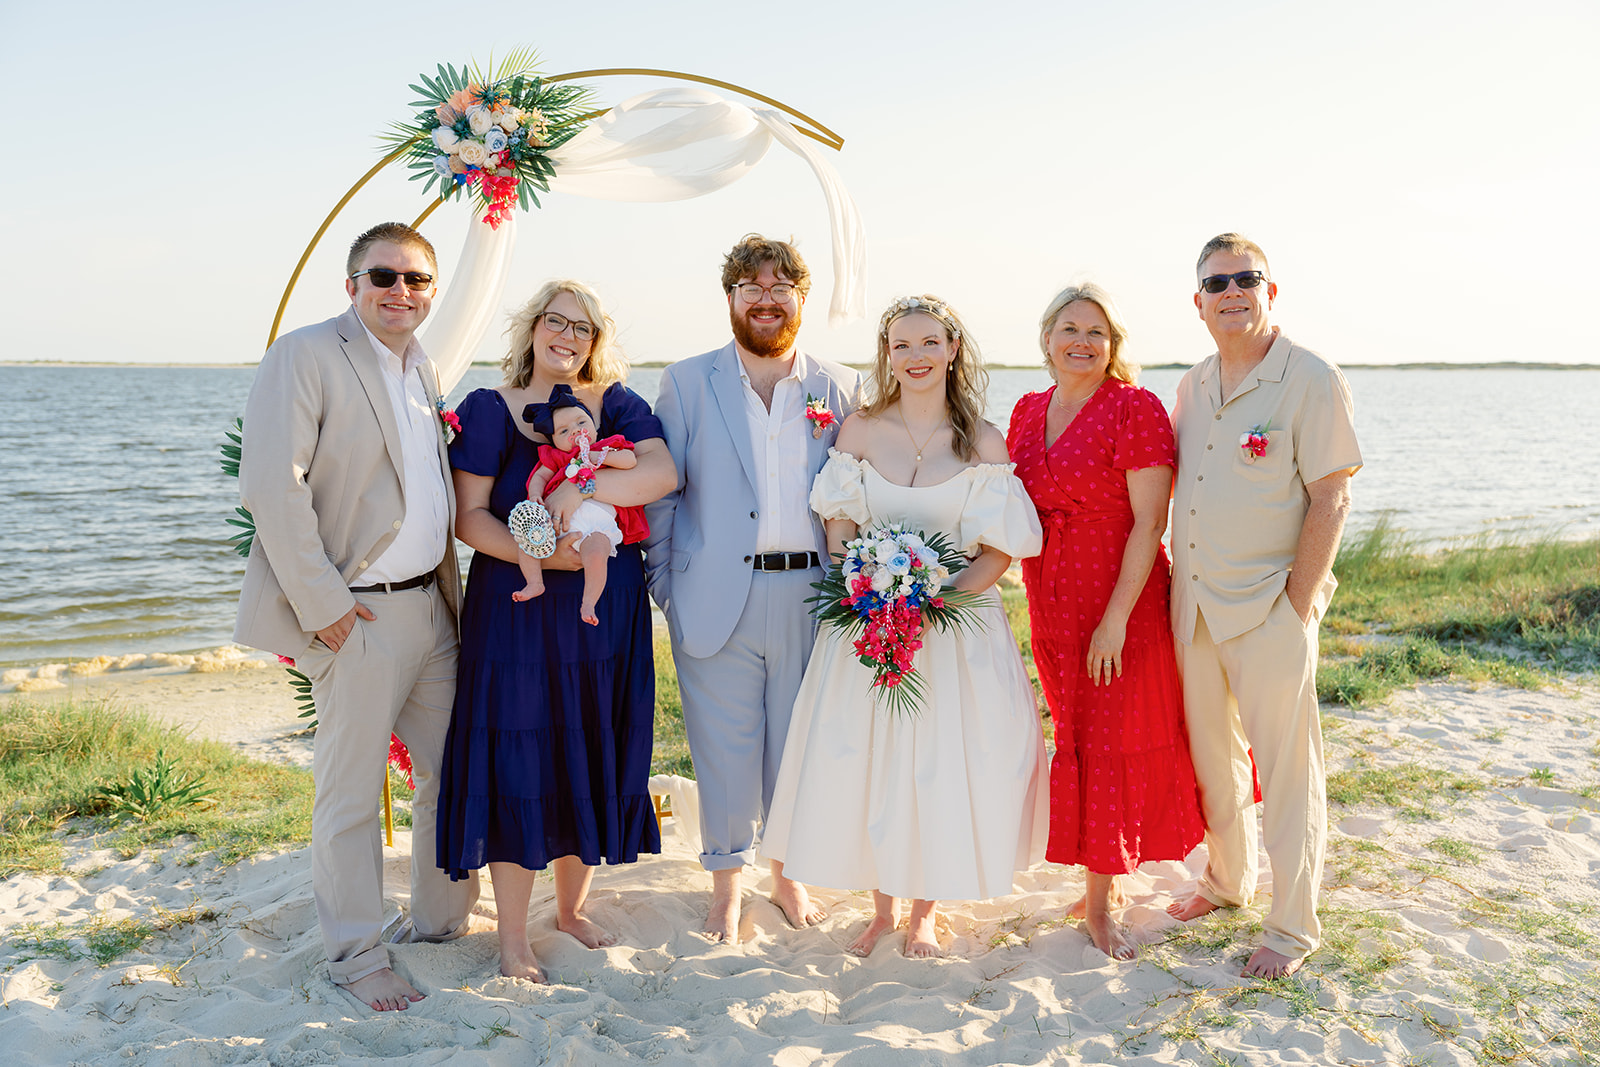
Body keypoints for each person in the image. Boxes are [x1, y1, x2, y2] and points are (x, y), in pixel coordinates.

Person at [234, 221, 480, 1011]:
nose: (400, 291)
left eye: (416, 280)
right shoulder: (305, 355)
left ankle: (440, 923)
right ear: (352, 285)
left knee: (452, 773)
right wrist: (326, 610)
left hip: (432, 610)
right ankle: (355, 954)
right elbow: (273, 485)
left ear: (431, 292)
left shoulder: (423, 366)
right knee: (348, 795)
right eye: (384, 277)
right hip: (359, 618)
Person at [762, 294, 1048, 959]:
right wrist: (864, 584)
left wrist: (935, 599)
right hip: (867, 627)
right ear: (887, 354)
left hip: (951, 633)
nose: (915, 357)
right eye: (902, 345)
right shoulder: (859, 430)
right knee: (871, 763)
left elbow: (998, 551)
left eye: (929, 343)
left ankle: (924, 911)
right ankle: (881, 908)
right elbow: (839, 527)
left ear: (952, 349)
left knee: (937, 765)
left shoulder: (981, 439)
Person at [436, 279, 676, 982]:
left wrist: (581, 488)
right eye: (555, 321)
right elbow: (469, 516)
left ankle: (569, 911)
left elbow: (661, 472)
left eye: (583, 328)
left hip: (604, 612)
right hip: (517, 607)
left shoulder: (618, 403)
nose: (568, 336)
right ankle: (514, 936)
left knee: (587, 746)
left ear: (596, 342)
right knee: (519, 756)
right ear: (532, 329)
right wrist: (543, 551)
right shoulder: (489, 408)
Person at [644, 234, 860, 943]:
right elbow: (662, 495)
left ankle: (788, 872)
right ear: (730, 298)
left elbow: (857, 490)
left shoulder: (840, 385)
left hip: (811, 594)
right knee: (722, 746)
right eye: (750, 287)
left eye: (779, 288)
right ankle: (725, 887)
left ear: (800, 297)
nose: (765, 300)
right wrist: (668, 585)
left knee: (795, 744)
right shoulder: (685, 382)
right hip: (712, 596)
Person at [1165, 234, 1362, 979]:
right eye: (1218, 283)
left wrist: (1297, 603)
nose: (1233, 291)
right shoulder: (1193, 382)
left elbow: (1332, 494)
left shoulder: (1311, 377)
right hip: (1196, 609)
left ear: (1271, 291)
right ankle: (1226, 880)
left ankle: (1292, 926)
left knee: (1287, 771)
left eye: (1248, 278)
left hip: (1269, 608)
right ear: (1199, 302)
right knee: (1216, 762)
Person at [1007, 284, 1206, 961]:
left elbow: (1151, 521)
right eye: (1069, 327)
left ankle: (1100, 902)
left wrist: (1116, 618)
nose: (1082, 340)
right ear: (1047, 339)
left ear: (1114, 344)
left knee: (1115, 738)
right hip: (1051, 600)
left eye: (1096, 330)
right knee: (1078, 734)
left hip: (1120, 598)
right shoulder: (1027, 410)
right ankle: (1104, 884)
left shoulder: (1134, 407)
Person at [513, 385, 646, 625]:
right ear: (554, 440)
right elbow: (540, 477)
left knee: (597, 552)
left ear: (594, 425)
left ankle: (589, 602)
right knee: (527, 540)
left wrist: (597, 457)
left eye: (581, 423)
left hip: (596, 523)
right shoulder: (556, 457)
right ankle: (534, 582)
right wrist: (534, 495)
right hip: (557, 519)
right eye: (564, 431)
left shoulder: (606, 447)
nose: (575, 432)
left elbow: (630, 460)